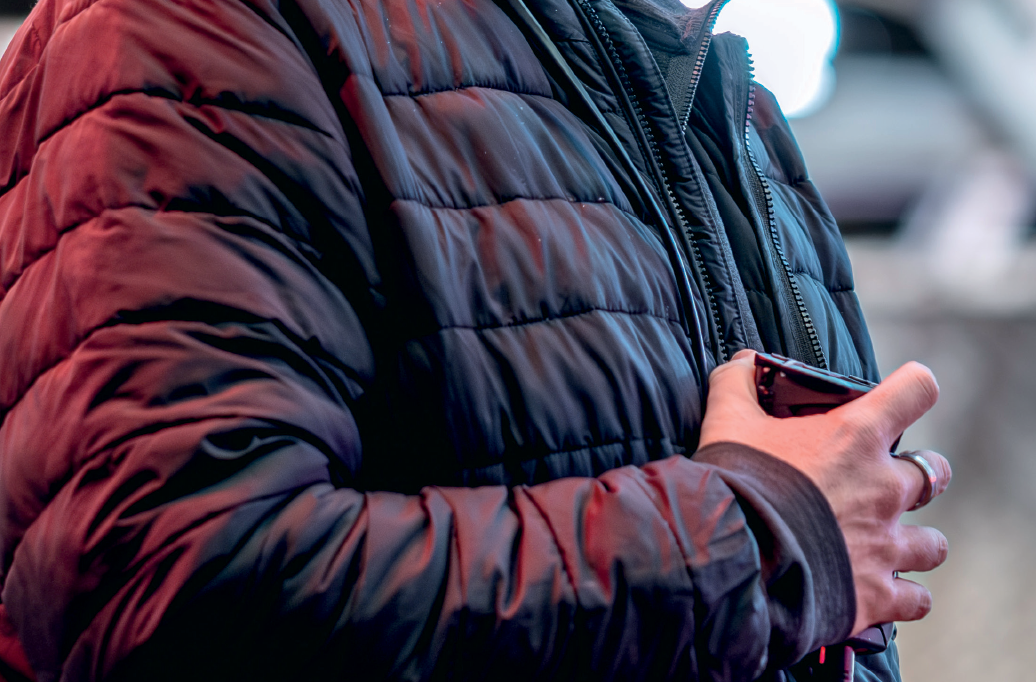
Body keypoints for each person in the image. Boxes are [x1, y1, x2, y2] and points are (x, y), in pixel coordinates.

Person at [0, 0, 951, 679]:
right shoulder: (199, 27)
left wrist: (801, 553)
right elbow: (168, 586)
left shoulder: (724, 102)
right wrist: (759, 542)